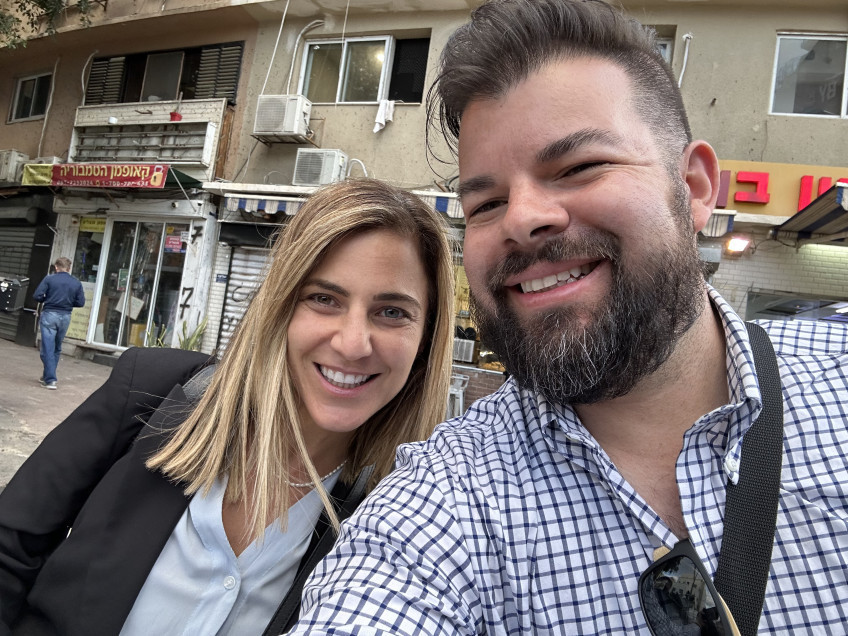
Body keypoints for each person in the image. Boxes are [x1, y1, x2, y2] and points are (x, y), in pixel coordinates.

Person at [288, 1, 848, 634]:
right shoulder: (446, 504)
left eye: (579, 167)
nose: (522, 218)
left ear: (693, 188)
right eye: (487, 202)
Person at [0, 178, 455, 635]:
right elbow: (9, 546)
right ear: (279, 306)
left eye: (392, 312)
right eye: (323, 299)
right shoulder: (150, 392)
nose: (353, 344)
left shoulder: (396, 516)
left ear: (426, 339)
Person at [32, 256, 86, 390]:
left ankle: (50, 380)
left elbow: (37, 296)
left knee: (47, 348)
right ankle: (47, 376)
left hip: (50, 314)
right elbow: (81, 303)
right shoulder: (76, 283)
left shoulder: (49, 279)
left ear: (56, 267)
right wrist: (67, 303)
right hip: (66, 316)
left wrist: (47, 298)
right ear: (69, 268)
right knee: (56, 347)